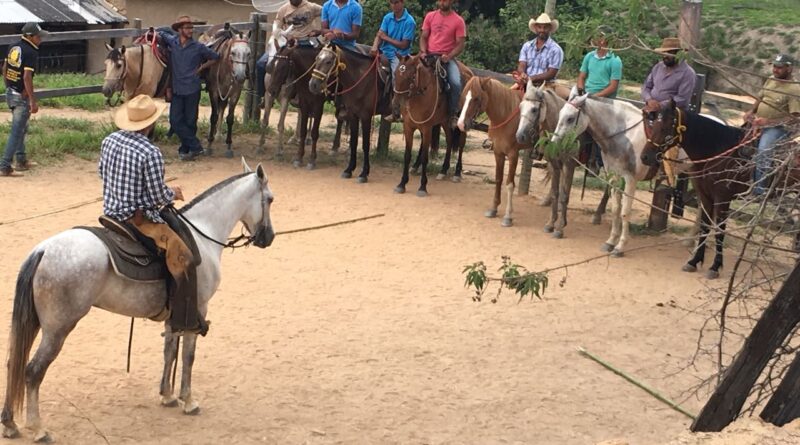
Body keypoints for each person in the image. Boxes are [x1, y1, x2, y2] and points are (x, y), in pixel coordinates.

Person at [99, 94, 207, 335]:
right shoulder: (151, 152)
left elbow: (101, 173)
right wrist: (173, 193)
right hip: (138, 221)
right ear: (150, 124)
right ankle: (184, 318)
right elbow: (157, 196)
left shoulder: (109, 140)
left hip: (110, 213)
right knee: (184, 257)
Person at [159, 16, 219, 161]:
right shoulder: (173, 42)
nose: (191, 30)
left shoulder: (198, 47)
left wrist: (201, 68)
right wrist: (155, 33)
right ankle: (196, 147)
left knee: (190, 121)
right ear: (180, 30)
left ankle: (185, 150)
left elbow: (215, 57)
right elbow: (161, 33)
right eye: (187, 28)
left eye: (191, 28)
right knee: (175, 120)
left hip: (192, 88)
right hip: (177, 89)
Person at [745, 53, 800, 195]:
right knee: (735, 140)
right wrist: (751, 111)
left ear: (789, 68)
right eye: (774, 66)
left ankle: (759, 190)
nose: (775, 70)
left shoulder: (794, 89)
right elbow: (760, 97)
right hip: (758, 122)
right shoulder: (770, 80)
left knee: (764, 152)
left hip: (778, 128)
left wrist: (768, 122)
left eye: (779, 67)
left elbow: (794, 118)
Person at [1, 22, 46, 177]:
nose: (40, 39)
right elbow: (27, 77)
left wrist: (9, 86)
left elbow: (4, 69)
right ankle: (4, 165)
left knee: (21, 127)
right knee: (17, 130)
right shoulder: (31, 51)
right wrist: (32, 100)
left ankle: (21, 160)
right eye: (38, 36)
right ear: (30, 37)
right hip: (21, 96)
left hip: (10, 92)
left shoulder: (13, 46)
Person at [256, 0, 323, 101]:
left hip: (307, 44)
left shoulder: (311, 7)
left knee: (322, 65)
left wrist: (322, 30)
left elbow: (328, 13)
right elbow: (277, 27)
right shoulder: (283, 9)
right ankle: (261, 96)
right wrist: (284, 35)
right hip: (288, 44)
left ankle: (319, 96)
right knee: (261, 64)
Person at [419, 0, 467, 128]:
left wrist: (449, 56)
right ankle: (402, 110)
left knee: (456, 83)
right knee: (407, 73)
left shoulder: (458, 21)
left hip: (446, 58)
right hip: (429, 56)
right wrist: (423, 51)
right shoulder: (430, 16)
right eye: (440, 0)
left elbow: (460, 44)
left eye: (445, 0)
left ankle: (452, 114)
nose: (442, 2)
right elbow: (423, 37)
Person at [370, 0, 416, 122]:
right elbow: (379, 34)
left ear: (402, 3)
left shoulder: (409, 21)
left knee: (398, 76)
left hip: (400, 56)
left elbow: (404, 45)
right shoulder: (387, 17)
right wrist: (374, 47)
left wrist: (386, 38)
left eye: (396, 2)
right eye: (392, 3)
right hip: (383, 51)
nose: (394, 5)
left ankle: (396, 111)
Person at [641, 37, 696, 113]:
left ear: (678, 53)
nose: (665, 56)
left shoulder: (687, 73)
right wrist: (649, 99)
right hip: (651, 108)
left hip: (673, 113)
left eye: (669, 53)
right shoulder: (658, 67)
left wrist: (660, 105)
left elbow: (682, 98)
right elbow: (646, 87)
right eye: (664, 53)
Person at [514, 13, 564, 90]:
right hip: (525, 83)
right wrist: (522, 74)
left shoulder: (556, 49)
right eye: (539, 27)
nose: (542, 30)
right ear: (536, 28)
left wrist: (531, 78)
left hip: (545, 85)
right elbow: (522, 65)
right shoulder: (527, 46)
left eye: (545, 27)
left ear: (550, 28)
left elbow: (551, 74)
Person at [577, 27, 622, 98]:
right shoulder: (589, 56)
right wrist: (580, 89)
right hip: (587, 93)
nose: (595, 38)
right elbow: (581, 77)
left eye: (599, 36)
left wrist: (595, 96)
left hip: (604, 99)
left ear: (607, 39)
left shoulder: (615, 60)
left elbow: (613, 87)